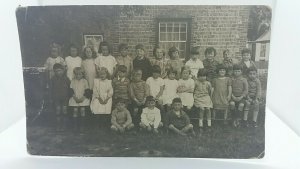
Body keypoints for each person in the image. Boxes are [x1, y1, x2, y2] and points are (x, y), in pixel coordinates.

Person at [68, 67, 91, 132]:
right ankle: (75, 126)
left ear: (82, 74)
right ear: (74, 74)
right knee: (75, 110)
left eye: (80, 74)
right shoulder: (72, 81)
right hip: (75, 98)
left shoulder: (85, 81)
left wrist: (82, 98)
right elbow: (71, 90)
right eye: (76, 74)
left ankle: (82, 126)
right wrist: (75, 98)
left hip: (83, 98)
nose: (78, 76)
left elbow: (87, 91)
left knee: (82, 110)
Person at [50, 63, 71, 131]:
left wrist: (69, 97)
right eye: (56, 71)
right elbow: (51, 89)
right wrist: (51, 98)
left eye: (59, 70)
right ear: (54, 72)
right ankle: (58, 126)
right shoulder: (53, 79)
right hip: (56, 98)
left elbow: (70, 88)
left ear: (63, 70)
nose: (58, 72)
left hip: (65, 98)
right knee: (58, 111)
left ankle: (64, 126)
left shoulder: (66, 78)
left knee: (64, 111)